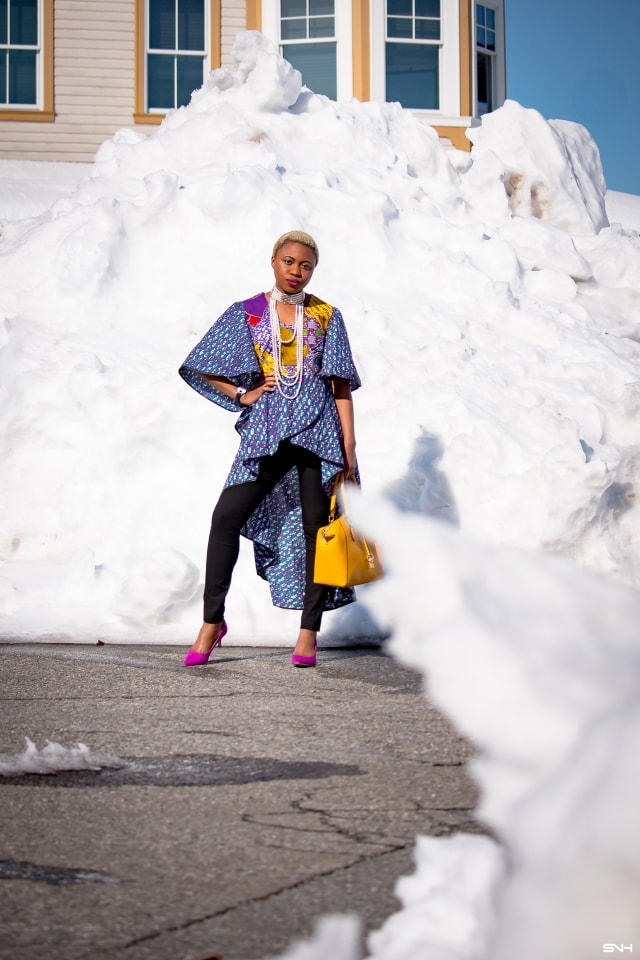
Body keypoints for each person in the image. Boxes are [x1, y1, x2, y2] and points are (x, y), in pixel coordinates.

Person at [179, 230, 361, 667]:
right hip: (267, 431)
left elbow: (339, 385)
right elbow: (199, 365)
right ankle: (212, 622)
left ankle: (308, 633)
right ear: (273, 261)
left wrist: (349, 447)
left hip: (319, 433)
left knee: (319, 528)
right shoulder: (248, 312)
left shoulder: (327, 315)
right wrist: (242, 395)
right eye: (288, 262)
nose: (296, 271)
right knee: (225, 517)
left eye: (306, 265)